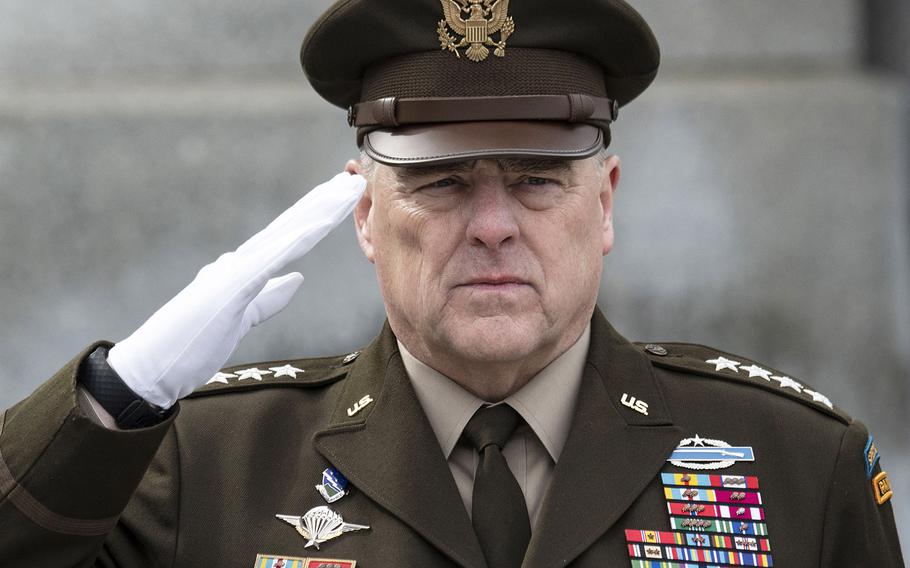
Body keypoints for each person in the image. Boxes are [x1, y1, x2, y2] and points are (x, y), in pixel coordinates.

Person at [0, 0, 903, 566]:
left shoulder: (793, 463)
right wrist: (114, 405)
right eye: (440, 181)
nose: (493, 223)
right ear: (362, 216)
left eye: (538, 178)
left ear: (608, 204)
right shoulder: (206, 468)